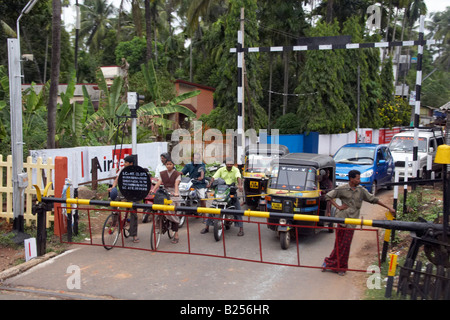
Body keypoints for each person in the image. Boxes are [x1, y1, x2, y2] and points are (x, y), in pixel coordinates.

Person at [322, 169, 395, 275]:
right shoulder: (342, 189)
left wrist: (389, 208)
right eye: (357, 178)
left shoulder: (361, 190)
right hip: (342, 219)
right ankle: (331, 263)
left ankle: (340, 267)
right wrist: (338, 206)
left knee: (346, 245)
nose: (359, 180)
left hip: (352, 221)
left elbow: (373, 199)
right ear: (351, 179)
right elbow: (328, 196)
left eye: (359, 178)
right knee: (339, 244)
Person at [203, 159, 244, 236]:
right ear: (225, 164)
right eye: (227, 164)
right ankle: (206, 227)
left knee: (237, 208)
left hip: (231, 189)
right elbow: (214, 177)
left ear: (233, 164)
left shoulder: (236, 170)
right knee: (212, 207)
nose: (229, 165)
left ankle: (241, 229)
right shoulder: (221, 169)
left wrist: (240, 185)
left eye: (230, 164)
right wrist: (210, 184)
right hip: (221, 189)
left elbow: (238, 177)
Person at [107, 155, 140, 243]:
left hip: (133, 193)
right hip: (123, 192)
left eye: (126, 162)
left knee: (133, 211)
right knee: (113, 200)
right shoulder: (122, 170)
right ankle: (114, 221)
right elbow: (116, 180)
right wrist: (113, 188)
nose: (124, 164)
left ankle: (134, 234)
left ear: (131, 163)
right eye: (124, 162)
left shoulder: (136, 171)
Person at [151, 158, 182, 244]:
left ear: (173, 165)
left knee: (172, 211)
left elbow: (176, 184)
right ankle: (160, 221)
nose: (168, 166)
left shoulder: (177, 174)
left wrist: (176, 193)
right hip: (165, 192)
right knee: (157, 202)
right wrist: (153, 189)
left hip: (174, 194)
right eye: (167, 164)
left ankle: (176, 234)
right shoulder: (163, 173)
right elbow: (159, 182)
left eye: (170, 164)